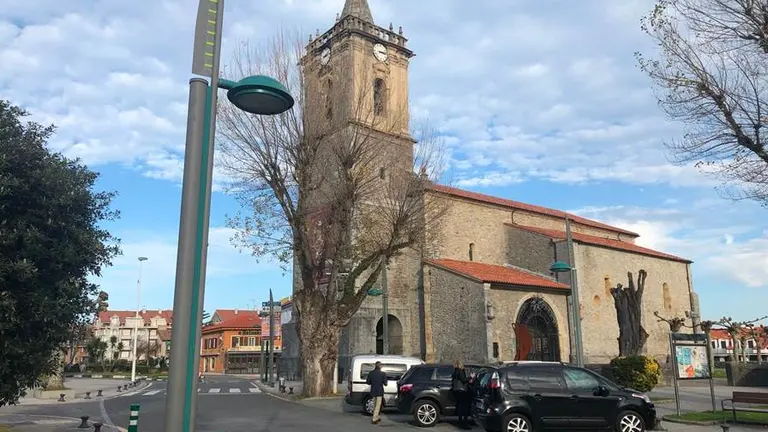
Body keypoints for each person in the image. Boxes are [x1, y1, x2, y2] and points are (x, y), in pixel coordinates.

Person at [451, 360, 471, 429]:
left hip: (456, 390)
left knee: (459, 405)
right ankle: (464, 423)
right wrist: (470, 377)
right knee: (464, 406)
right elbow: (464, 380)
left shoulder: (455, 371)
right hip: (461, 390)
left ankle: (460, 421)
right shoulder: (460, 371)